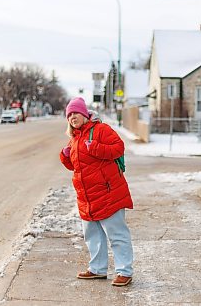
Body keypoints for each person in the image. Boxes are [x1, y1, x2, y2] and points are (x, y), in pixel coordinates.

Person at [59, 97, 134, 287]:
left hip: (109, 193)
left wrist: (97, 148)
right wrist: (65, 156)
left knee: (117, 234)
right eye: (69, 114)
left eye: (76, 113)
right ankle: (98, 269)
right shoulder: (75, 138)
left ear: (85, 114)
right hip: (87, 197)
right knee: (93, 236)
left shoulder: (100, 130)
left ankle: (124, 271)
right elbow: (77, 167)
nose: (73, 117)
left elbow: (118, 148)